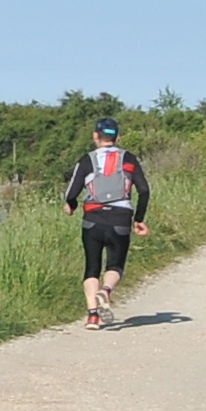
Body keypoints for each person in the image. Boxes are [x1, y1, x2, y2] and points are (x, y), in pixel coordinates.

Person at [64, 118, 148, 328]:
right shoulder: (128, 158)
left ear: (95, 135)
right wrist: (139, 219)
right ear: (117, 137)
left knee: (92, 267)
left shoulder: (87, 160)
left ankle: (93, 316)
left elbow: (71, 192)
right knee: (115, 265)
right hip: (120, 219)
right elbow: (144, 190)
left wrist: (72, 205)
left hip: (92, 218)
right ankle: (106, 291)